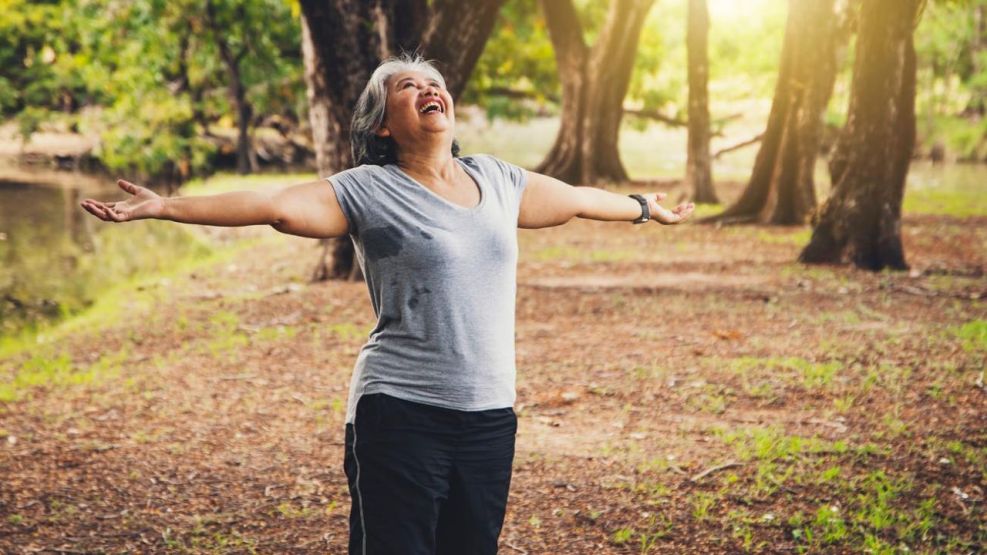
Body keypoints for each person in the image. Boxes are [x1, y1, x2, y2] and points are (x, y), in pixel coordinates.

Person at [81, 53, 694, 555]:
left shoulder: (501, 183)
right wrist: (167, 206)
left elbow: (581, 199)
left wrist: (644, 207)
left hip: (489, 416)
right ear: (382, 123)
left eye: (435, 83)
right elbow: (273, 205)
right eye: (408, 86)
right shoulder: (370, 190)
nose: (429, 89)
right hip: (400, 411)